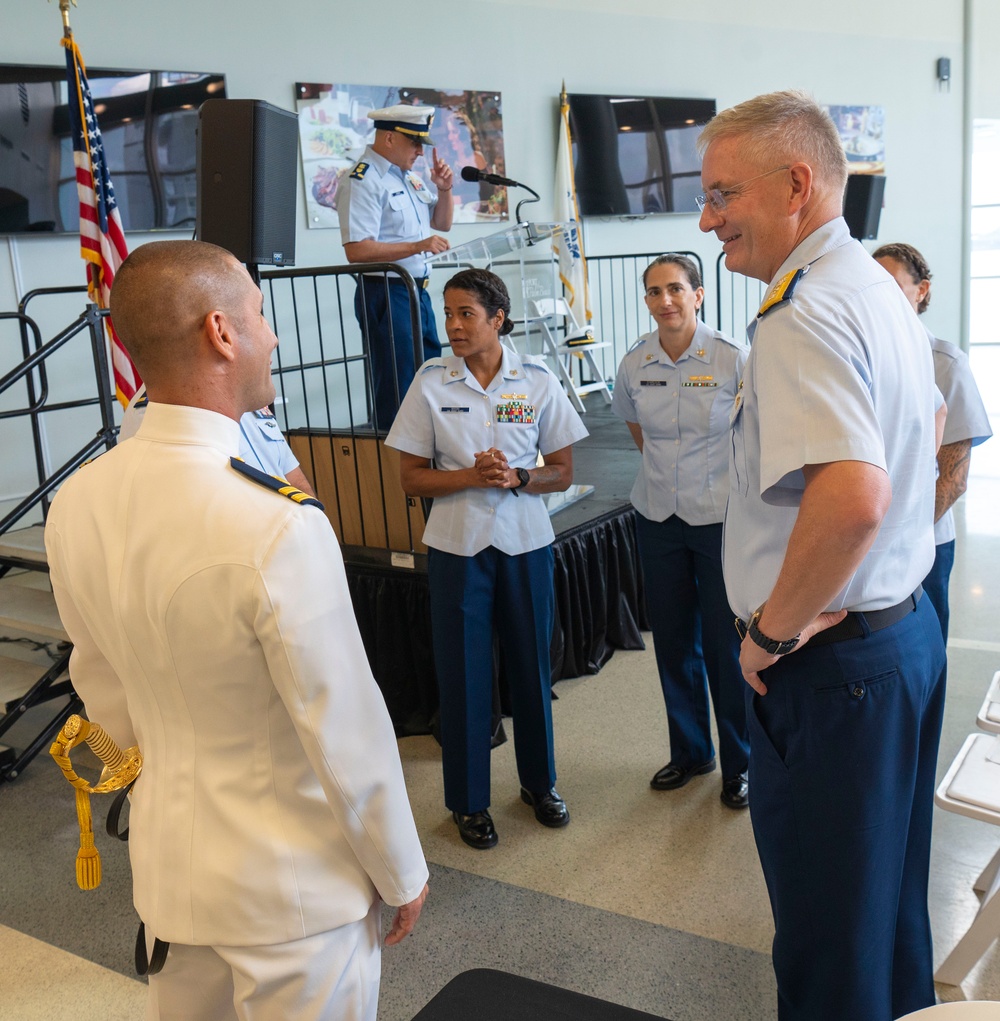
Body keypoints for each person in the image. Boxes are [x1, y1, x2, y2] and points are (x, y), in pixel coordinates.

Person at [44, 240, 428, 1021]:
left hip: (171, 881)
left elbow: (105, 694)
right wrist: (402, 870)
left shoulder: (78, 500)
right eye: (260, 314)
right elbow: (343, 728)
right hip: (295, 899)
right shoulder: (272, 520)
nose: (273, 335)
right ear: (222, 332)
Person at [697, 91, 947, 1021]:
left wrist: (770, 629)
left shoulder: (799, 313)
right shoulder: (873, 287)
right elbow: (918, 431)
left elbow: (853, 495)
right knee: (887, 913)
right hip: (898, 638)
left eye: (723, 192)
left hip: (829, 668)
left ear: (796, 185)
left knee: (827, 937)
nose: (706, 216)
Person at [385, 269, 588, 850]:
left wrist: (520, 475)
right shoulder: (430, 382)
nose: (452, 325)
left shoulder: (539, 379)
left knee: (532, 668)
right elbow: (409, 478)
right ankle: (468, 802)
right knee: (465, 677)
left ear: (497, 318)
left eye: (465, 314)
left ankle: (540, 785)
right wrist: (470, 476)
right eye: (447, 313)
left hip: (525, 545)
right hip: (457, 549)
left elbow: (564, 472)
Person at [612, 254, 750, 809]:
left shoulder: (732, 358)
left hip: (718, 519)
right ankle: (691, 752)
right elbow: (635, 425)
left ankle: (740, 764)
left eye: (674, 289)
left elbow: (751, 433)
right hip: (657, 518)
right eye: (653, 292)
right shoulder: (635, 360)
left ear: (698, 294)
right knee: (672, 641)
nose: (664, 300)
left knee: (725, 644)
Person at [873, 241, 992, 642]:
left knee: (926, 650)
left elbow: (953, 479)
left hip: (924, 541)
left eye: (891, 283)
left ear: (921, 290)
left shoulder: (946, 363)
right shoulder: (864, 359)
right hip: (867, 540)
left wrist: (902, 535)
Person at [337, 104, 454, 430]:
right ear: (389, 138)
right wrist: (417, 246)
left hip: (417, 290)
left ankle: (429, 454)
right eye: (414, 142)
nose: (420, 150)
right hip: (386, 292)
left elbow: (441, 223)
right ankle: (393, 462)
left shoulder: (409, 178)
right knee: (398, 379)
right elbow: (357, 250)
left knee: (430, 372)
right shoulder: (362, 180)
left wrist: (444, 189)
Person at [120, 383, 318, 499]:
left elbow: (294, 478)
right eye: (257, 317)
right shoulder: (156, 412)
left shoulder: (244, 393)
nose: (272, 338)